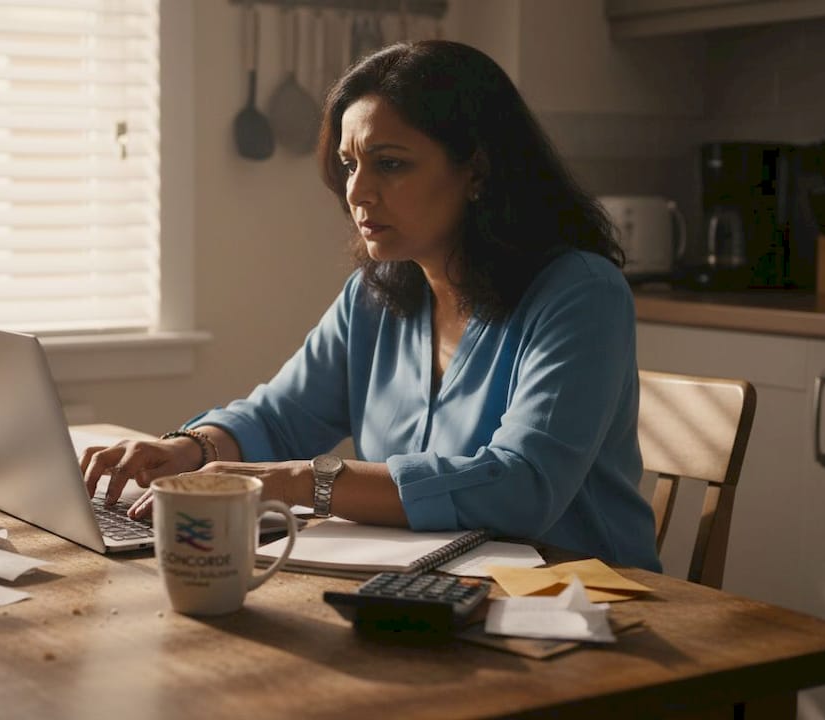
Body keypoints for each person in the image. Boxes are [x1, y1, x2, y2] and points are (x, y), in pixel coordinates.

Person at [82, 40, 661, 572]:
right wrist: (189, 447)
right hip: (427, 592)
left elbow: (522, 486)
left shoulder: (581, 293)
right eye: (350, 164)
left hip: (585, 601)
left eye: (390, 163)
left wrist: (297, 481)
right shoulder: (377, 291)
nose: (356, 192)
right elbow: (282, 416)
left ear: (478, 170)